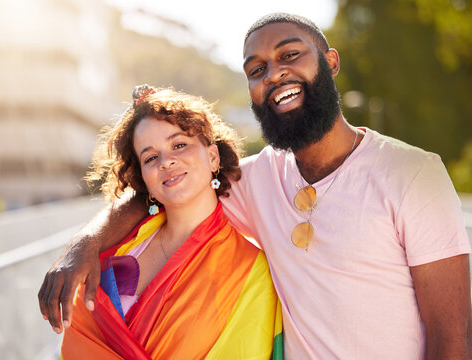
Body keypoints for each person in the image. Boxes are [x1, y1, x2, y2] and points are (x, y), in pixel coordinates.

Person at [39, 13, 471, 359]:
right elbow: (165, 186)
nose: (275, 74)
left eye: (290, 55)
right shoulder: (259, 177)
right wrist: (84, 247)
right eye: (257, 69)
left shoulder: (414, 174)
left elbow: (453, 337)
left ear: (330, 61)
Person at [57, 85, 282, 359]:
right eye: (151, 157)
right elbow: (81, 336)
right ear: (145, 181)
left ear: (212, 157)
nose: (166, 161)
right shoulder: (116, 248)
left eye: (179, 145)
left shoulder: (251, 270)